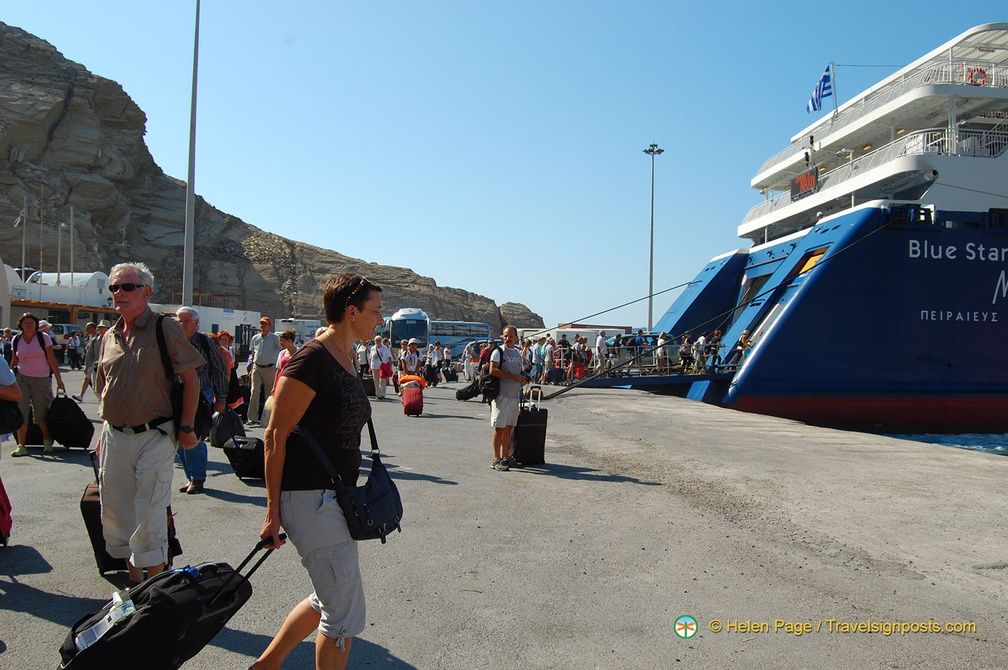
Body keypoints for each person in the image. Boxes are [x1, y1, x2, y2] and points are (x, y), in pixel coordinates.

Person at [255, 273, 384, 670]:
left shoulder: (346, 357)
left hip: (332, 497)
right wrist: (272, 512)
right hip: (310, 498)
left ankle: (266, 665)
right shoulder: (313, 359)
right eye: (375, 311)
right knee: (343, 615)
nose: (380, 319)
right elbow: (275, 436)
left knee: (329, 597)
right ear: (351, 312)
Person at [94, 262, 204, 584]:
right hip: (115, 434)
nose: (119, 293)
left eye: (127, 287)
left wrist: (185, 427)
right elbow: (105, 386)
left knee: (150, 509)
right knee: (116, 509)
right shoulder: (110, 335)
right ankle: (135, 582)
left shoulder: (164, 328)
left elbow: (192, 381)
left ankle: (157, 586)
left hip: (154, 433)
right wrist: (104, 432)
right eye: (115, 287)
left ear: (146, 291)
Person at [174, 307, 228, 495]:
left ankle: (197, 478)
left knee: (193, 434)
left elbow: (219, 369)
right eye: (178, 320)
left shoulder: (205, 342)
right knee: (178, 436)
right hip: (175, 393)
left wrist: (221, 398)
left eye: (186, 321)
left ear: (196, 323)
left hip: (201, 393)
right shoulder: (171, 340)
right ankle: (191, 477)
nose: (181, 324)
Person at [10, 312, 66, 456]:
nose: (28, 325)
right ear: (20, 325)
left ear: (36, 325)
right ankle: (21, 445)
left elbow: (51, 359)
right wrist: (9, 377)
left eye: (31, 323)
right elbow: (14, 361)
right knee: (21, 411)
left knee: (40, 412)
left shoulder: (43, 338)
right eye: (25, 323)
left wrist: (59, 380)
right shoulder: (16, 339)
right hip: (21, 377)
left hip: (40, 378)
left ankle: (46, 440)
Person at [488, 326, 529, 471]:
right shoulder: (498, 352)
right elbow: (493, 370)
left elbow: (519, 370)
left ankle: (506, 458)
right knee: (499, 428)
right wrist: (513, 377)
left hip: (514, 396)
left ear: (516, 338)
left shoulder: (517, 352)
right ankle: (495, 459)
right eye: (505, 336)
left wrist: (523, 375)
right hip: (501, 396)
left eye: (510, 336)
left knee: (509, 428)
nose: (507, 338)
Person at [247, 317, 283, 427]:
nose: (262, 326)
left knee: (269, 393)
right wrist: (251, 367)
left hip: (270, 368)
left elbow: (282, 350)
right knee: (254, 391)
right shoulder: (255, 338)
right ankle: (252, 417)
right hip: (257, 368)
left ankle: (267, 418)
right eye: (261, 324)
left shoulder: (274, 338)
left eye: (265, 324)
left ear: (270, 326)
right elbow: (253, 353)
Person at [73, 322, 102, 402]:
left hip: (96, 361)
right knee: (87, 378)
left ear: (93, 328)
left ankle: (101, 396)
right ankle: (81, 395)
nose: (86, 330)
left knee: (96, 381)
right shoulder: (89, 337)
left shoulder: (98, 337)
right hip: (90, 361)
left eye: (88, 328)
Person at [368, 335, 391, 400]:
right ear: (374, 341)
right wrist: (370, 366)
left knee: (382, 380)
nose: (378, 342)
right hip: (374, 366)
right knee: (376, 381)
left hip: (382, 367)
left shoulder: (385, 348)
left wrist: (390, 366)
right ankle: (377, 394)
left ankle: (382, 394)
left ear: (381, 341)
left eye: (379, 340)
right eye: (376, 340)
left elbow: (389, 357)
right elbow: (370, 358)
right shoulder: (373, 348)